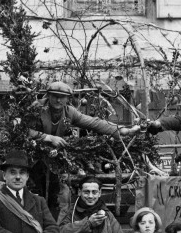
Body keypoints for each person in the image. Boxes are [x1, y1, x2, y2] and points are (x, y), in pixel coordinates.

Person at [25, 81, 136, 211]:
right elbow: (23, 129)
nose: (58, 100)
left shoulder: (70, 112)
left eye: (62, 96)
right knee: (34, 192)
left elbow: (93, 123)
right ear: (48, 96)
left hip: (53, 160)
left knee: (54, 194)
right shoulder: (37, 108)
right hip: (32, 158)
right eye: (54, 95)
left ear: (68, 98)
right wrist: (48, 137)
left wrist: (119, 130)